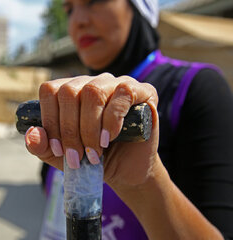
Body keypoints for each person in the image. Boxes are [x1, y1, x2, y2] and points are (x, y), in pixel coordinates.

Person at [25, 0, 233, 239]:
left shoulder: (194, 88)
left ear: (138, 8)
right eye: (69, 9)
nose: (78, 21)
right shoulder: (70, 96)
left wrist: (145, 182)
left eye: (94, 2)